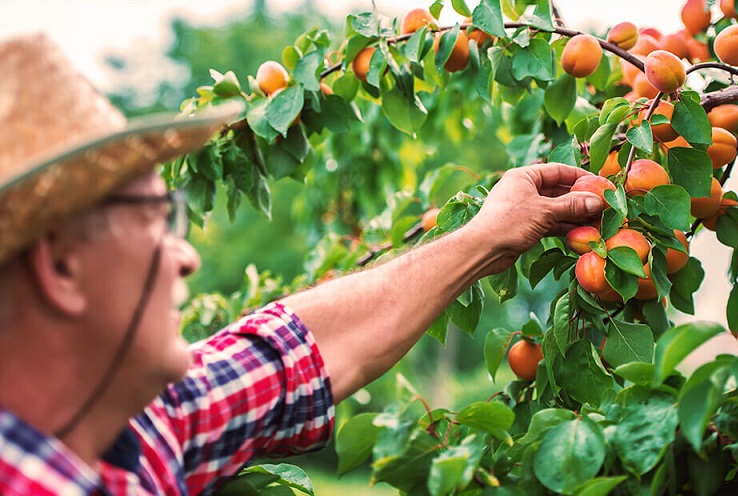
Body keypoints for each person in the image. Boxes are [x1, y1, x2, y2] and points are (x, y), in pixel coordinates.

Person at [0, 33, 605, 495]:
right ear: (62, 268)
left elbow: (292, 355)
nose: (185, 257)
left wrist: (484, 238)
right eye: (157, 222)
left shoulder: (131, 436)